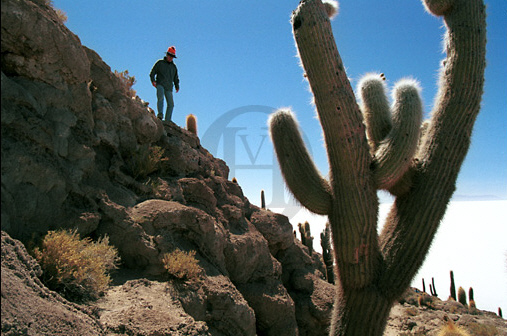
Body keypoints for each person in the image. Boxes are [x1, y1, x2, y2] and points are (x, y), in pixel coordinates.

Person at [150, 46, 180, 121]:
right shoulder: (160, 63)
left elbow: (176, 78)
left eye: (172, 56)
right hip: (160, 84)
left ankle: (167, 120)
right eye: (170, 55)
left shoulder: (174, 67)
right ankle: (160, 115)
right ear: (167, 55)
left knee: (171, 104)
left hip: (169, 87)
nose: (170, 58)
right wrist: (153, 80)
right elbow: (152, 72)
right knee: (161, 97)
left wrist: (177, 86)